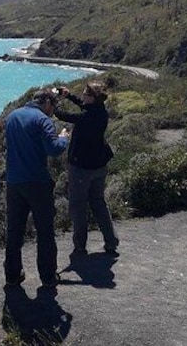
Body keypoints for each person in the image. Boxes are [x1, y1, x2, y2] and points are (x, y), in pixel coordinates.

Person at [4, 90, 69, 294]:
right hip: (37, 183)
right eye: (54, 105)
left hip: (14, 182)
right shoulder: (43, 120)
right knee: (45, 231)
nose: (54, 110)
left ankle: (13, 275)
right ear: (47, 102)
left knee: (14, 230)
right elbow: (54, 149)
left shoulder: (12, 116)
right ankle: (48, 277)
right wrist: (64, 138)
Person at [55, 83, 120, 257]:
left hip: (82, 168)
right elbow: (85, 106)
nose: (82, 96)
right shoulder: (101, 111)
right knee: (98, 202)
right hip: (99, 165)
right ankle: (111, 241)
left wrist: (54, 103)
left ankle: (80, 247)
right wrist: (70, 96)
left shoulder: (86, 117)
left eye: (84, 94)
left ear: (92, 97)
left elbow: (63, 115)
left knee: (78, 207)